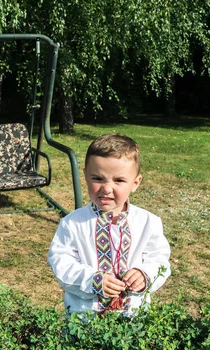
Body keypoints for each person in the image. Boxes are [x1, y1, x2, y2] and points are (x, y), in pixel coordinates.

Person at [47, 134, 171, 317]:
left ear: (135, 183)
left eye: (119, 180)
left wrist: (144, 275)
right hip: (84, 318)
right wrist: (92, 280)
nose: (106, 189)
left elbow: (159, 260)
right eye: (98, 178)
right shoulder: (73, 223)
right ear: (86, 177)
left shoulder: (148, 223)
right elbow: (61, 262)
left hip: (133, 318)